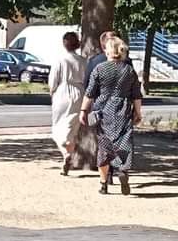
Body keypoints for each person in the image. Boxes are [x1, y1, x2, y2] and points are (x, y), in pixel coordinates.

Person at [80, 36, 143, 195]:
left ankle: (103, 183)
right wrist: (138, 112)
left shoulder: (100, 69)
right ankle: (123, 170)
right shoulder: (129, 70)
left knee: (104, 147)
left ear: (107, 51)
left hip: (103, 112)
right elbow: (136, 94)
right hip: (123, 111)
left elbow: (89, 93)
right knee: (124, 144)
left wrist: (83, 111)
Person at [48, 31, 86, 176]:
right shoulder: (83, 61)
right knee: (73, 127)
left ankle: (65, 153)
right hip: (79, 93)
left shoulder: (60, 60)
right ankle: (68, 152)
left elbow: (53, 82)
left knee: (57, 126)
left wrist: (52, 92)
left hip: (62, 92)